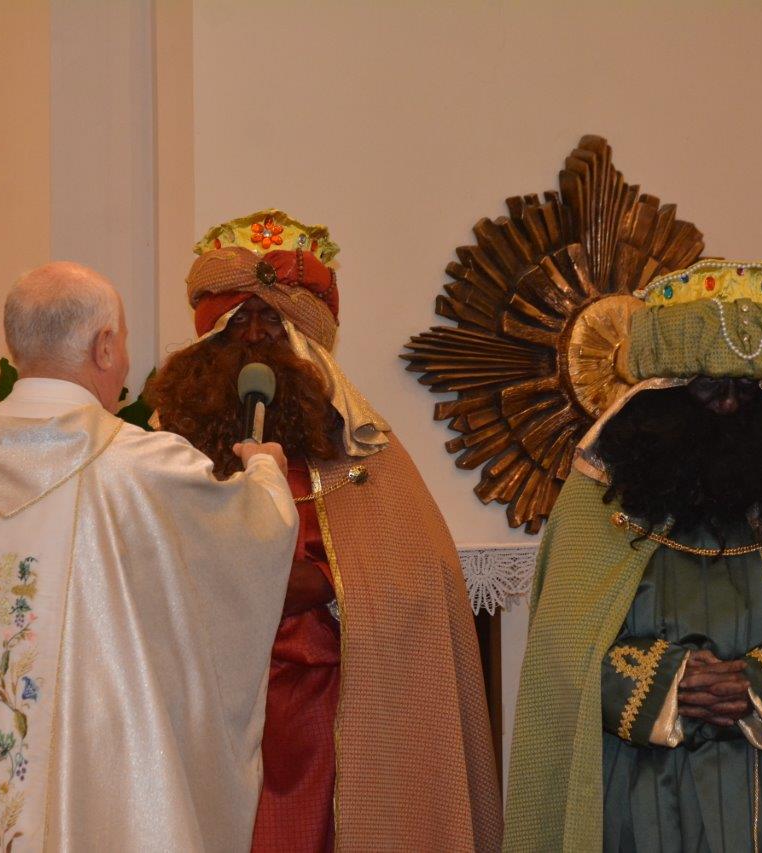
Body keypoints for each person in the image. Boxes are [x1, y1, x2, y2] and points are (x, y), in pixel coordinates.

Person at [0, 262, 299, 852]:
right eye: (123, 341)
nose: (125, 361)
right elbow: (251, 537)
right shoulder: (141, 468)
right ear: (104, 347)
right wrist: (265, 472)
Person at [505, 260, 762, 851]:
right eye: (707, 387)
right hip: (638, 795)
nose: (728, 406)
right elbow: (563, 653)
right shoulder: (595, 500)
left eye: (746, 390)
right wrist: (669, 682)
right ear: (661, 394)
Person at [146, 210, 501, 851]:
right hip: (204, 703)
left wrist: (334, 583)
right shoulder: (165, 448)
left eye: (272, 321)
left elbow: (421, 576)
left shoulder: (359, 449)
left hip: (327, 711)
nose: (256, 336)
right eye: (238, 321)